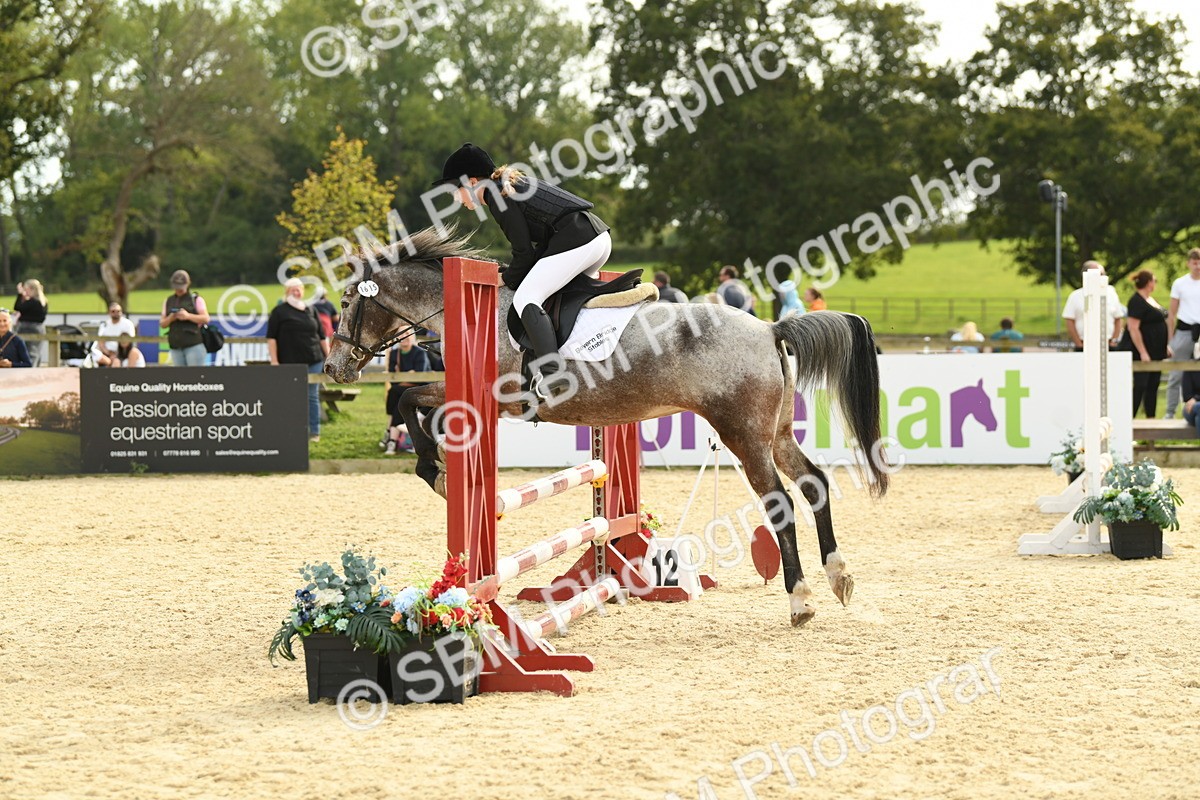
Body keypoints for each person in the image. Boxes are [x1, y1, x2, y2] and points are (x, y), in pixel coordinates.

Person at [433, 142, 611, 399]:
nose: (455, 198)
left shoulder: (496, 195)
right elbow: (533, 253)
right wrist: (512, 274)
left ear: (472, 182)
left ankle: (552, 374)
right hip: (596, 239)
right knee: (551, 297)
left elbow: (524, 252)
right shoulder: (506, 186)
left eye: (455, 190)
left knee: (526, 298)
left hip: (580, 241)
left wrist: (505, 278)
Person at [268, 278, 329, 441]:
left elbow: (322, 336)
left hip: (314, 359)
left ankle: (314, 432)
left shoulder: (311, 310)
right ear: (287, 292)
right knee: (291, 396)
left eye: (299, 289)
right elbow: (271, 338)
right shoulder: (279, 312)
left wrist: (328, 357)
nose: (297, 292)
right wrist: (274, 360)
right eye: (293, 290)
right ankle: (292, 430)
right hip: (290, 361)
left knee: (312, 396)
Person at [1118, 270, 1168, 418]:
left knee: (1153, 385)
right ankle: (1129, 419)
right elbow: (1133, 328)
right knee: (1141, 385)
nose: (1155, 284)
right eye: (1154, 280)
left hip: (1156, 352)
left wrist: (1165, 346)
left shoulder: (1151, 299)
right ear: (1149, 282)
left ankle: (1151, 419)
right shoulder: (1136, 301)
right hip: (1142, 352)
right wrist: (1143, 352)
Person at [382, 331, 432, 454]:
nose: (404, 337)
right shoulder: (394, 353)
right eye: (401, 335)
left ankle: (391, 437)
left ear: (412, 336)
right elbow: (392, 377)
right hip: (400, 389)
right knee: (397, 396)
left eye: (407, 334)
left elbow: (419, 376)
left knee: (395, 394)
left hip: (418, 389)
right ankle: (392, 440)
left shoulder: (419, 352)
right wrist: (408, 375)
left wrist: (402, 377)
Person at [1163, 248, 1200, 419]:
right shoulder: (1180, 283)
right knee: (1176, 374)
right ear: (1188, 263)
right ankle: (1170, 413)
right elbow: (1171, 313)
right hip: (1184, 331)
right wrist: (1171, 339)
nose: (1197, 266)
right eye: (1195, 263)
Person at [1061, 261, 1125, 353]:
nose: (1102, 277)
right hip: (1084, 345)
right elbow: (1069, 320)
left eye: (1103, 274)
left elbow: (1118, 318)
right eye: (1099, 274)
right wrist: (1079, 344)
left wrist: (1114, 341)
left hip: (1108, 345)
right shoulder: (1075, 296)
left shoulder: (1111, 293)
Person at [159, 269, 210, 366]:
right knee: (180, 375)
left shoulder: (196, 299)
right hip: (175, 347)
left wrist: (188, 316)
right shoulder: (168, 301)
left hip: (193, 345)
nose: (179, 289)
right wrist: (171, 318)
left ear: (188, 284)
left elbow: (206, 318)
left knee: (194, 374)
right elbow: (162, 324)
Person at [92, 302, 145, 368]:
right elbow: (101, 342)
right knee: (95, 356)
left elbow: (128, 342)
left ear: (121, 312)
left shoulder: (128, 324)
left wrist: (116, 355)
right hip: (107, 354)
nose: (116, 313)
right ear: (109, 312)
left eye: (118, 311)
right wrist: (109, 353)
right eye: (113, 311)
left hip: (124, 353)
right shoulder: (104, 325)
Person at [13, 279, 48, 367]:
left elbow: (17, 307)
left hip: (27, 328)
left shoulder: (32, 302)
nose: (25, 292)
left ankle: (29, 370)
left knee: (29, 352)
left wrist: (20, 294)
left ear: (32, 289)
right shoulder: (43, 301)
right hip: (39, 328)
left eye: (26, 289)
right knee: (36, 352)